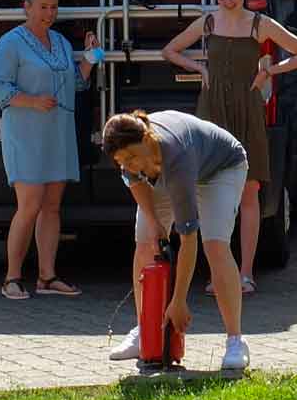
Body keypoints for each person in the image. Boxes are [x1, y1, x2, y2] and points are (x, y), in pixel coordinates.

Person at [161, 0, 297, 293]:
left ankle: (245, 273)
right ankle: (219, 272)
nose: (228, 0)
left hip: (248, 110)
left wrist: (270, 70)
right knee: (210, 191)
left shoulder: (260, 24)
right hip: (212, 111)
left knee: (249, 191)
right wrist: (197, 67)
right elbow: (170, 50)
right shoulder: (208, 21)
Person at [102, 109, 251, 370]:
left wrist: (179, 300)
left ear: (148, 139)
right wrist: (155, 224)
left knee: (215, 245)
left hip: (221, 167)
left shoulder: (176, 156)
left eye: (133, 157)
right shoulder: (130, 154)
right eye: (121, 161)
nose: (129, 164)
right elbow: (136, 182)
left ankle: (236, 341)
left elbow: (188, 238)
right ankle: (145, 331)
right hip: (169, 168)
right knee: (145, 241)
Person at [0, 0, 99, 300]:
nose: (50, 13)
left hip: (57, 132)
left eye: (54, 8)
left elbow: (76, 84)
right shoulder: (9, 43)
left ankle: (47, 277)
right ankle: (11, 277)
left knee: (52, 205)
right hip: (26, 131)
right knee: (30, 204)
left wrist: (90, 60)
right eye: (43, 7)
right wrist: (32, 101)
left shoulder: (63, 43)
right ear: (28, 7)